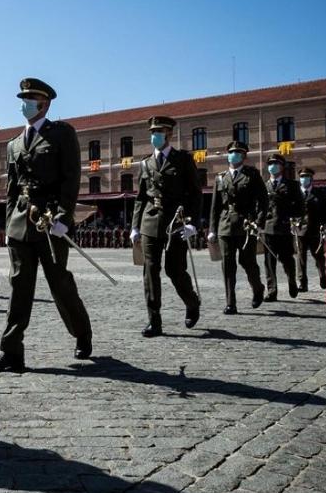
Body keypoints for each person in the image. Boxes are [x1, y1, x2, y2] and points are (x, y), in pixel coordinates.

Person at [0, 77, 93, 373]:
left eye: (30, 98)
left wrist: (63, 216)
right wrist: (9, 225)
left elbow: (71, 178)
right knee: (19, 285)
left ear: (44, 103)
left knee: (59, 283)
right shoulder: (14, 144)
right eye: (23, 98)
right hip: (22, 221)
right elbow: (11, 188)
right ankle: (11, 351)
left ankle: (82, 332)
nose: (25, 103)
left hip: (50, 222)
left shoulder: (61, 134)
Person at [128, 115, 201, 336]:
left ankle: (192, 302)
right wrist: (135, 226)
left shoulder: (183, 160)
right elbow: (141, 197)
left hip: (175, 223)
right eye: (152, 132)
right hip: (150, 222)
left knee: (175, 270)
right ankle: (154, 320)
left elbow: (195, 194)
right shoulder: (146, 162)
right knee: (150, 271)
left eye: (158, 132)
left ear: (169, 134)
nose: (154, 136)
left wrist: (193, 223)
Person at [208, 140, 267, 314]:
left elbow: (263, 200)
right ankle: (230, 302)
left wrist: (259, 221)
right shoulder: (221, 177)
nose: (234, 155)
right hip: (225, 226)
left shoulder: (252, 175)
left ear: (243, 156)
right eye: (232, 152)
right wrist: (212, 229)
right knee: (227, 265)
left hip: (246, 225)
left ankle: (258, 289)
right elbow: (215, 206)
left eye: (238, 153)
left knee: (248, 262)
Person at [260, 153, 302, 301]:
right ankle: (272, 291)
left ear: (282, 167)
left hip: (284, 228)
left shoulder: (292, 185)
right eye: (270, 164)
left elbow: (300, 207)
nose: (273, 166)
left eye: (276, 163)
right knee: (269, 261)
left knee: (287, 260)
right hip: (268, 228)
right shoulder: (263, 186)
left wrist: (293, 218)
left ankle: (292, 281)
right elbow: (259, 207)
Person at [295, 167, 326, 291]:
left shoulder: (319, 193)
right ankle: (302, 282)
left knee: (318, 256)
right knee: (301, 258)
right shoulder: (296, 194)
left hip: (316, 230)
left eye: (306, 176)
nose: (304, 179)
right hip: (300, 230)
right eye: (302, 177)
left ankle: (322, 276)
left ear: (311, 178)